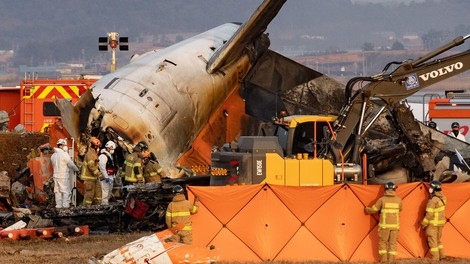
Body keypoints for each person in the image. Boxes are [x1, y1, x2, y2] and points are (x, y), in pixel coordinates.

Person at [365, 182, 403, 262]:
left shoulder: (382, 200)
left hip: (384, 227)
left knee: (383, 243)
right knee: (393, 244)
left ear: (385, 189)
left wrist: (367, 209)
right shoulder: (399, 200)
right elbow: (400, 209)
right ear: (394, 189)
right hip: (395, 227)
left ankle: (384, 261)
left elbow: (374, 210)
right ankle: (391, 261)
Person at [421, 180, 447, 261]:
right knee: (438, 241)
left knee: (432, 242)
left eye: (431, 187)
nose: (430, 189)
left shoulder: (433, 201)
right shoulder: (443, 198)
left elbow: (429, 214)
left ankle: (435, 259)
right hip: (440, 224)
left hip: (432, 225)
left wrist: (424, 224)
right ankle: (442, 256)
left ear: (434, 189)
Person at [51, 138, 79, 209]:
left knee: (57, 192)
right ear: (61, 146)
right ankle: (65, 206)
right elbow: (71, 164)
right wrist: (77, 169)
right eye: (64, 145)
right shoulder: (64, 154)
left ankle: (58, 206)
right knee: (66, 191)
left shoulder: (53, 155)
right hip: (63, 176)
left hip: (55, 176)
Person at [80, 137, 105, 206]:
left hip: (94, 178)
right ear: (94, 146)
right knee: (89, 195)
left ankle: (97, 208)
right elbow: (91, 167)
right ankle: (85, 209)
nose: (99, 148)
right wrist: (99, 175)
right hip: (89, 179)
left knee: (98, 194)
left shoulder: (94, 154)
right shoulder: (90, 154)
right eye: (98, 147)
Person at [98, 141, 118, 205]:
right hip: (105, 178)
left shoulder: (110, 156)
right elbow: (102, 168)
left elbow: (111, 167)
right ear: (108, 148)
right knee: (105, 193)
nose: (113, 151)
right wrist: (106, 177)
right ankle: (104, 206)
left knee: (109, 192)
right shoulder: (103, 156)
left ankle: (106, 204)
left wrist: (113, 177)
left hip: (110, 177)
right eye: (112, 149)